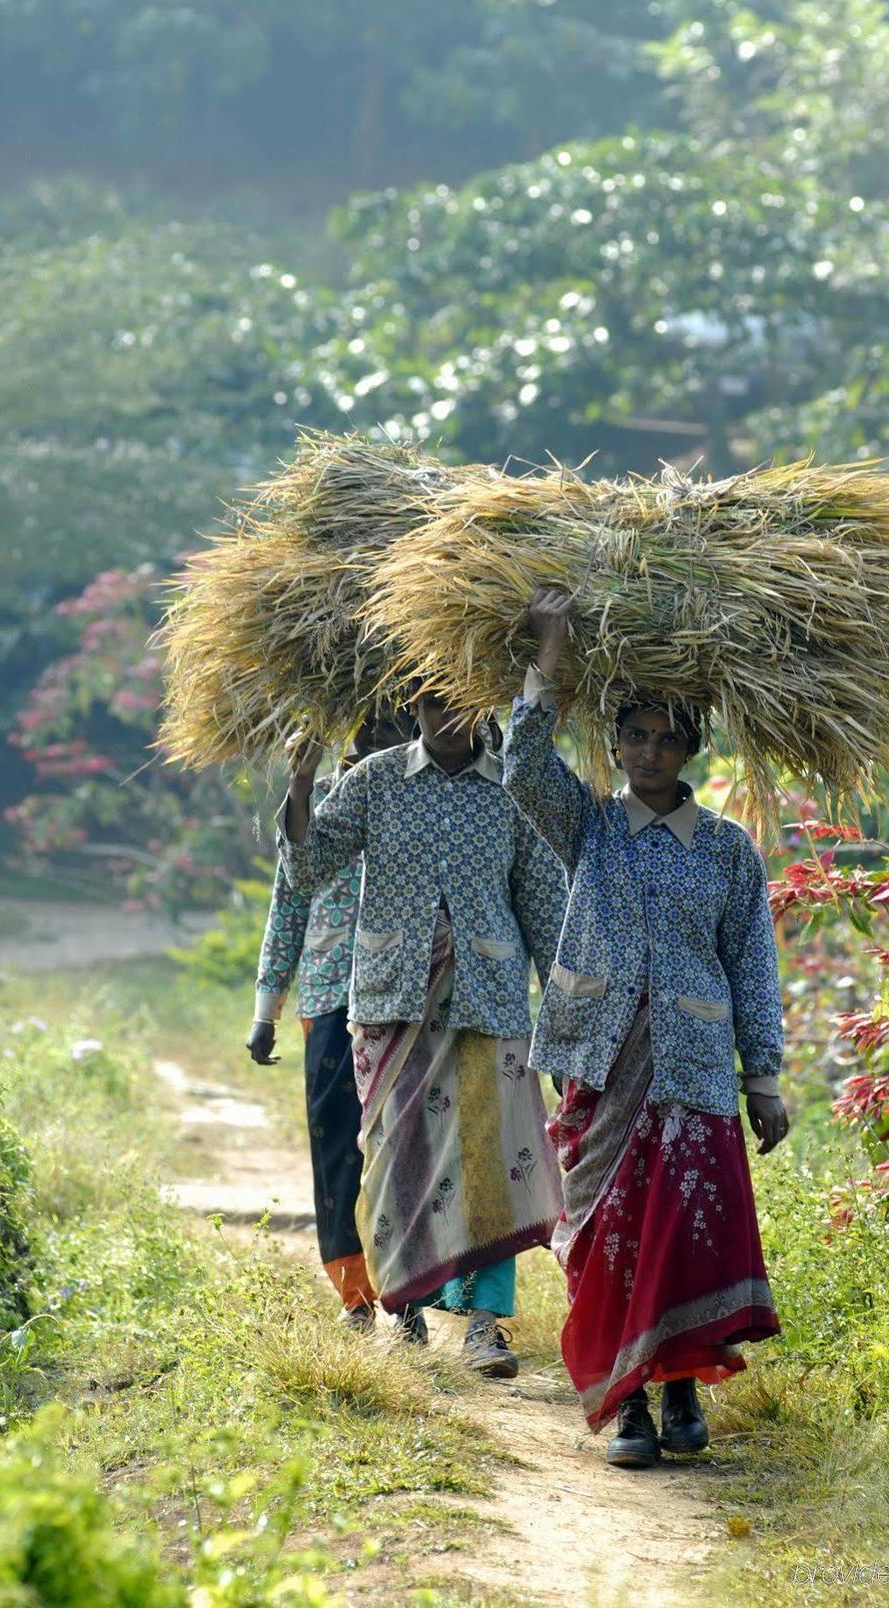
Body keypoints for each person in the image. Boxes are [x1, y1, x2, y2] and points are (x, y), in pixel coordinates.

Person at [502, 586, 789, 1468]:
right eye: (636, 737)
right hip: (598, 1060)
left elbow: (752, 963)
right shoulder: (588, 826)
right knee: (606, 1234)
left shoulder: (728, 849)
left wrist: (764, 1078)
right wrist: (550, 654)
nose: (652, 752)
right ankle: (626, 1406)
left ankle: (676, 1391)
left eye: (669, 738)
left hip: (694, 1069)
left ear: (692, 748)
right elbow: (519, 763)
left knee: (683, 1237)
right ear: (616, 745)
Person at [275, 687, 568, 1378]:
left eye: (463, 703)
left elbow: (548, 911)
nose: (447, 717)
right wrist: (299, 780)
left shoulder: (509, 793)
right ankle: (403, 1307)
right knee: (394, 1161)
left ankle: (485, 1328)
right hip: (391, 1002)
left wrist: (566, 1024)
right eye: (434, 703)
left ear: (485, 709)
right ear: (415, 708)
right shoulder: (374, 781)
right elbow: (309, 866)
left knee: (488, 1162)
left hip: (486, 1001)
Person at [246, 706, 415, 1327]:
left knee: (401, 1149)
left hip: (404, 1000)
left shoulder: (422, 801)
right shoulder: (315, 803)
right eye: (371, 727)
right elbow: (287, 909)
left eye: (395, 727)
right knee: (337, 1144)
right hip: (327, 997)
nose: (381, 738)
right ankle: (355, 1292)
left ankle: (405, 1292)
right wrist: (267, 1010)